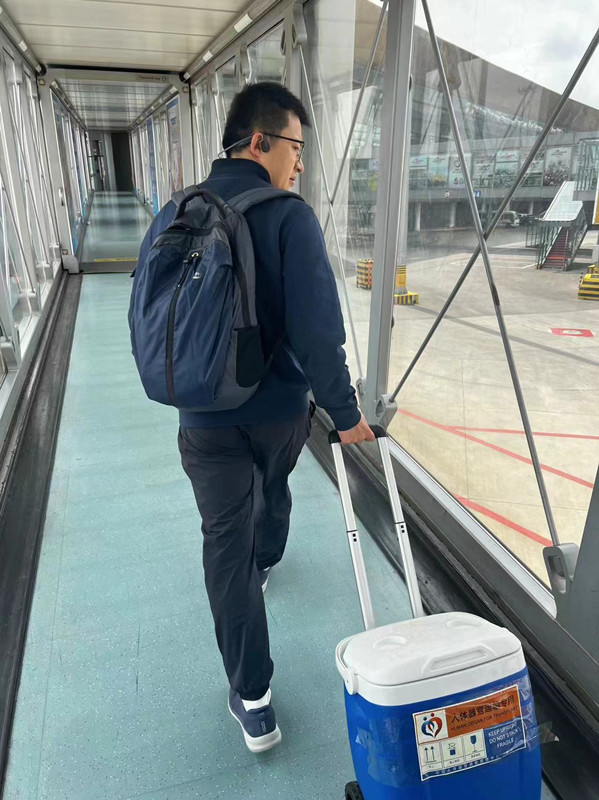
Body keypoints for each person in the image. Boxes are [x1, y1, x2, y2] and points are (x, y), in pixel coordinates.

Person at [136, 82, 374, 753]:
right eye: (295, 147)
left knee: (223, 542)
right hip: (276, 412)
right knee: (272, 485)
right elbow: (317, 331)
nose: (299, 163)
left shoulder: (176, 210)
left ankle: (253, 699)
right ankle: (266, 556)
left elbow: (153, 310)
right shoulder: (288, 217)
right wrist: (345, 414)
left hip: (202, 417)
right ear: (259, 141)